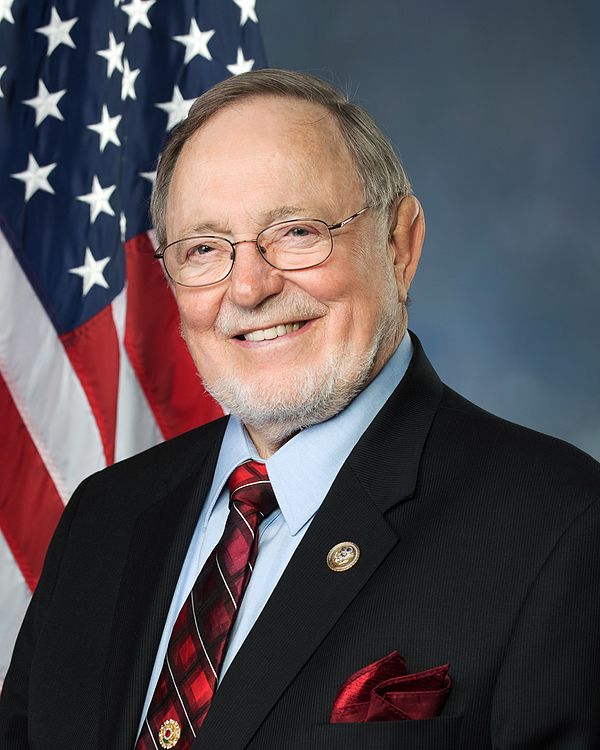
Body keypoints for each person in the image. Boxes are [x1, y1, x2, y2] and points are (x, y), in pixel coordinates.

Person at [1, 69, 599, 750]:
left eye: (296, 232)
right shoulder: (102, 518)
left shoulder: (561, 525)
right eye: (204, 250)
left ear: (400, 245)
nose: (251, 287)